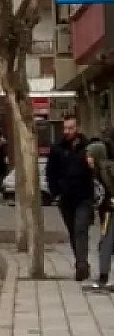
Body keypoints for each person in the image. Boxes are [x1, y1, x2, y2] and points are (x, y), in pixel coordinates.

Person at [47, 114, 95, 281]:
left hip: (84, 197)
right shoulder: (57, 149)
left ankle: (81, 264)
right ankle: (81, 262)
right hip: (65, 199)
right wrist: (56, 193)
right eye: (65, 128)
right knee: (73, 231)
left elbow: (96, 170)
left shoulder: (88, 147)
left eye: (71, 128)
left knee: (81, 228)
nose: (67, 131)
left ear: (78, 128)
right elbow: (50, 173)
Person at [86, 141, 114, 290]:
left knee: (106, 244)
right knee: (105, 244)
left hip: (111, 211)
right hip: (106, 212)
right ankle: (103, 275)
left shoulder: (108, 169)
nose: (87, 158)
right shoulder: (96, 171)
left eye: (90, 155)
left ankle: (104, 276)